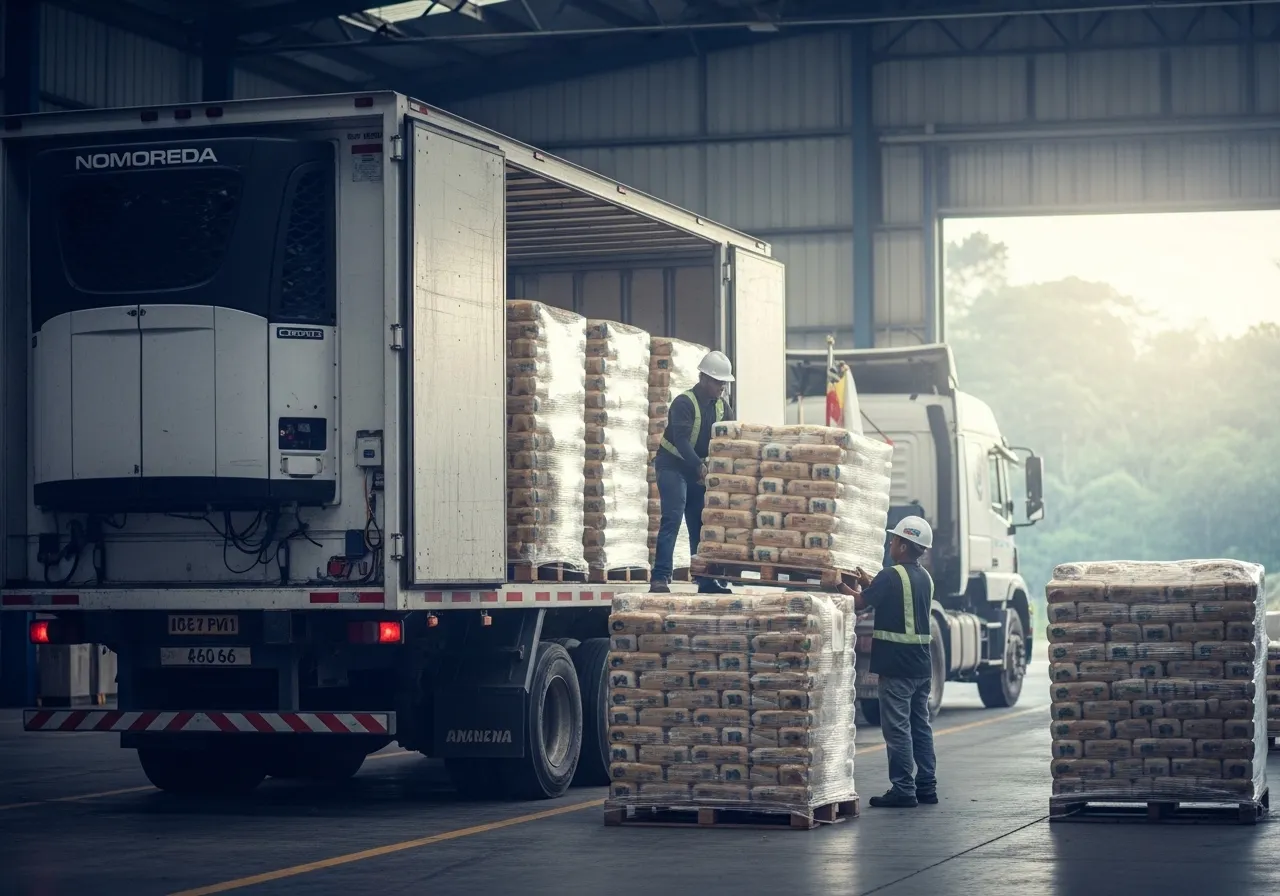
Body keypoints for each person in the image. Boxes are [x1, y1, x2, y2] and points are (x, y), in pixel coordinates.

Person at [847, 516, 938, 808]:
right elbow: (895, 596)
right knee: (920, 727)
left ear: (903, 545)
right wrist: (870, 583)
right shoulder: (924, 578)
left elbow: (859, 603)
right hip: (921, 667)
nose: (890, 543)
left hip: (896, 667)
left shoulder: (889, 575)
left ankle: (903, 789)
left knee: (897, 729)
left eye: (894, 539)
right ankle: (926, 787)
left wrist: (837, 583)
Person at [649, 351, 735, 595]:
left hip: (697, 469)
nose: (722, 387)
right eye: (718, 382)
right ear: (704, 378)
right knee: (673, 516)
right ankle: (660, 577)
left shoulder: (723, 408)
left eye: (724, 382)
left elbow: (728, 441)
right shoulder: (684, 403)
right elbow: (681, 441)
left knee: (700, 523)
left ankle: (704, 579)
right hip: (672, 465)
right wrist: (700, 466)